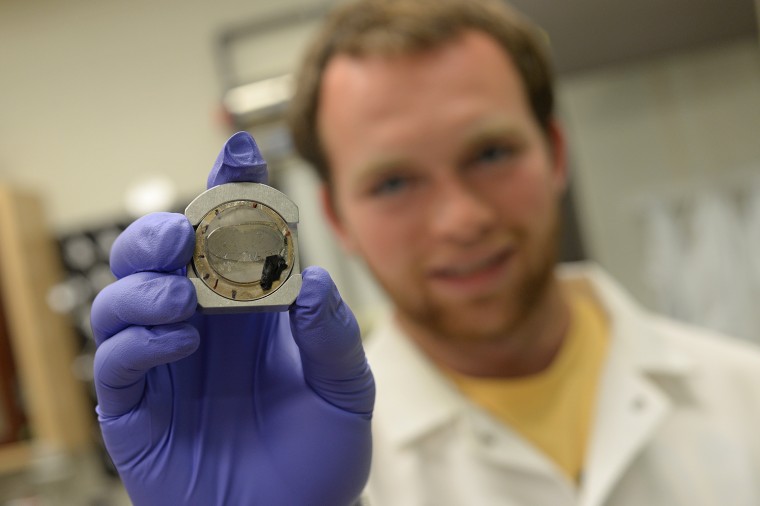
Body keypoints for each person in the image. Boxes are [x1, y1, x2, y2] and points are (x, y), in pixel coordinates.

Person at [91, 0, 760, 505]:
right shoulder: (318, 464)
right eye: (393, 182)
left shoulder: (747, 396)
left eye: (491, 153)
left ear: (554, 153)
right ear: (336, 217)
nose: (461, 219)